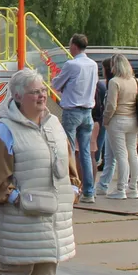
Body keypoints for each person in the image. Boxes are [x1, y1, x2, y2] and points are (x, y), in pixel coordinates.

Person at [0, 69, 80, 275]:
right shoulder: (5, 130)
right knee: (15, 270)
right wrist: (13, 198)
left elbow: (68, 158)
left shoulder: (54, 124)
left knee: (46, 268)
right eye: (35, 92)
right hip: (20, 216)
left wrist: (73, 187)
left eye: (43, 91)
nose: (41, 96)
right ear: (17, 97)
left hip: (55, 215)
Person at [53, 34, 98, 203]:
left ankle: (69, 187)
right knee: (85, 152)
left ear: (74, 47)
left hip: (72, 111)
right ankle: (88, 191)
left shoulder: (71, 64)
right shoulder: (93, 65)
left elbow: (57, 85)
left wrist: (58, 82)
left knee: (68, 150)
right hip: (87, 111)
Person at [101, 54, 138, 200]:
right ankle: (133, 188)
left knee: (121, 155)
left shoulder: (114, 82)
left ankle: (120, 189)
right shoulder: (134, 81)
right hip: (133, 120)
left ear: (115, 65)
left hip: (118, 120)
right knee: (133, 152)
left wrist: (106, 120)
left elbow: (111, 105)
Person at [91, 59, 112, 196]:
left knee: (91, 153)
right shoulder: (105, 86)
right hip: (104, 121)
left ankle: (93, 186)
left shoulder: (104, 86)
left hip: (99, 120)